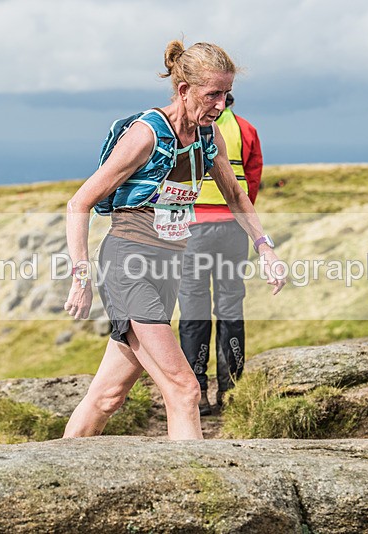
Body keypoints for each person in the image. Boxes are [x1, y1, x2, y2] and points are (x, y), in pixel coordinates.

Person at [62, 41, 285, 440]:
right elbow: (79, 203)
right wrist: (80, 278)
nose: (221, 104)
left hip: (168, 269)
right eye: (212, 94)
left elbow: (236, 196)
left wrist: (264, 247)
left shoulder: (207, 136)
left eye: (226, 94)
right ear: (184, 90)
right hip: (129, 266)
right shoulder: (145, 135)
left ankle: (56, 468)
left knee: (107, 396)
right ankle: (200, 493)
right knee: (184, 388)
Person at [177, 93, 263, 415]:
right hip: (233, 228)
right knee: (230, 305)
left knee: (193, 307)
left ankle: (196, 391)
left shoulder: (188, 128)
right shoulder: (246, 129)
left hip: (193, 229)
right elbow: (249, 184)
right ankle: (231, 390)